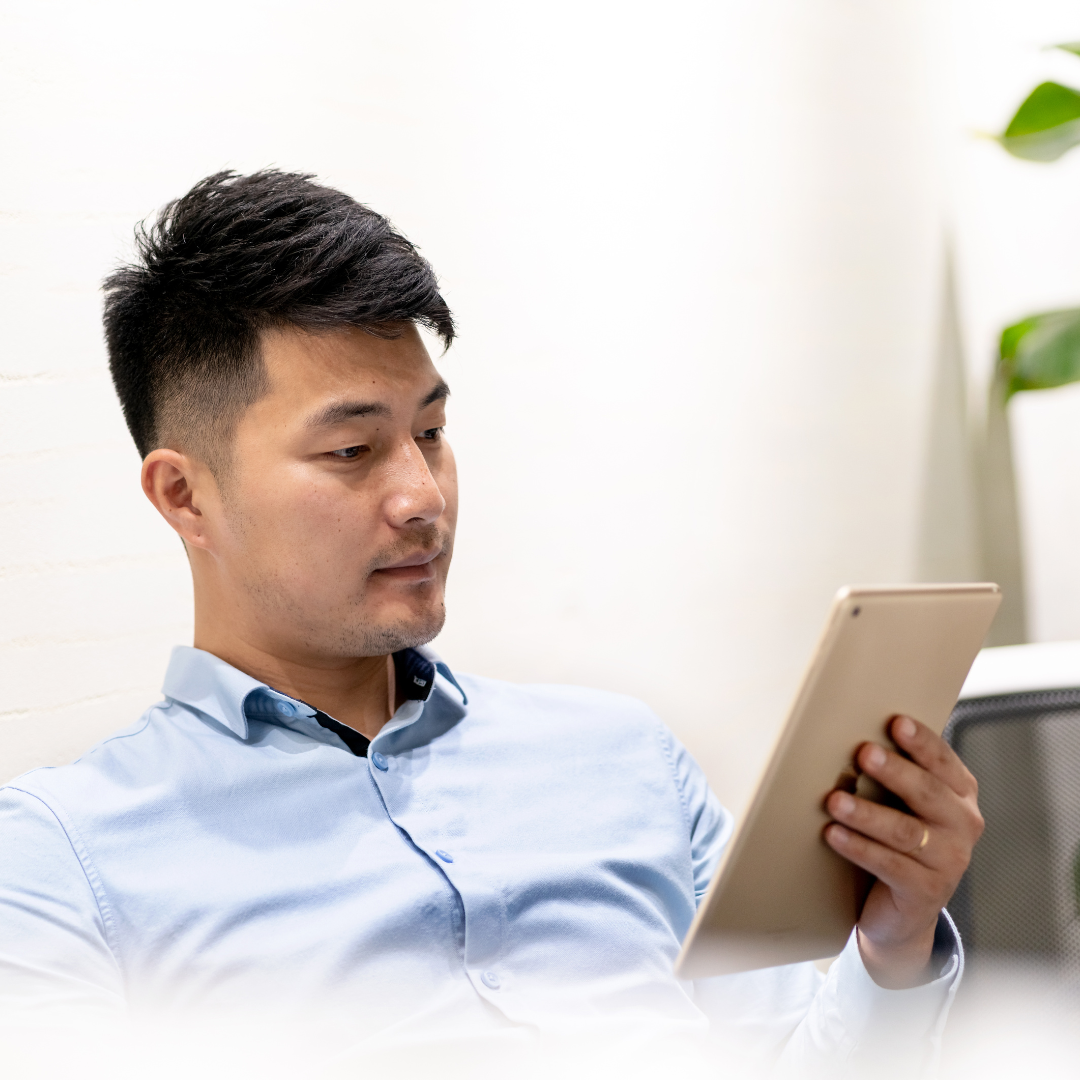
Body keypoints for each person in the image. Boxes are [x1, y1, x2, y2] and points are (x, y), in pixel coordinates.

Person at [0, 171, 984, 1075]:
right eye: (352, 451)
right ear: (185, 496)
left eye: (431, 432)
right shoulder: (63, 859)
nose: (422, 496)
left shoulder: (624, 758)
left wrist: (891, 949)